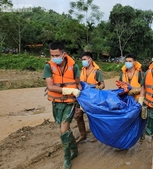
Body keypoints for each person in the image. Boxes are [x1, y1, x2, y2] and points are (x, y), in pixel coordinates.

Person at [43, 41, 82, 169]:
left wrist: (81, 96)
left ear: (64, 54)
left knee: (63, 130)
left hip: (70, 103)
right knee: (63, 128)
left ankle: (67, 159)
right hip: (56, 103)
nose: (54, 58)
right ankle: (74, 148)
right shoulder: (48, 67)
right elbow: (50, 86)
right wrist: (69, 90)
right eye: (52, 55)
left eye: (57, 55)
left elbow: (78, 84)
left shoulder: (74, 66)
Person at [75, 51, 105, 143]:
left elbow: (103, 85)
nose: (83, 61)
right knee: (78, 116)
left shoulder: (97, 72)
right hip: (81, 97)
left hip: (93, 98)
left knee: (93, 117)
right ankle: (83, 135)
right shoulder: (82, 70)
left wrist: (94, 87)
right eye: (82, 60)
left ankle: (97, 135)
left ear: (90, 60)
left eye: (84, 59)